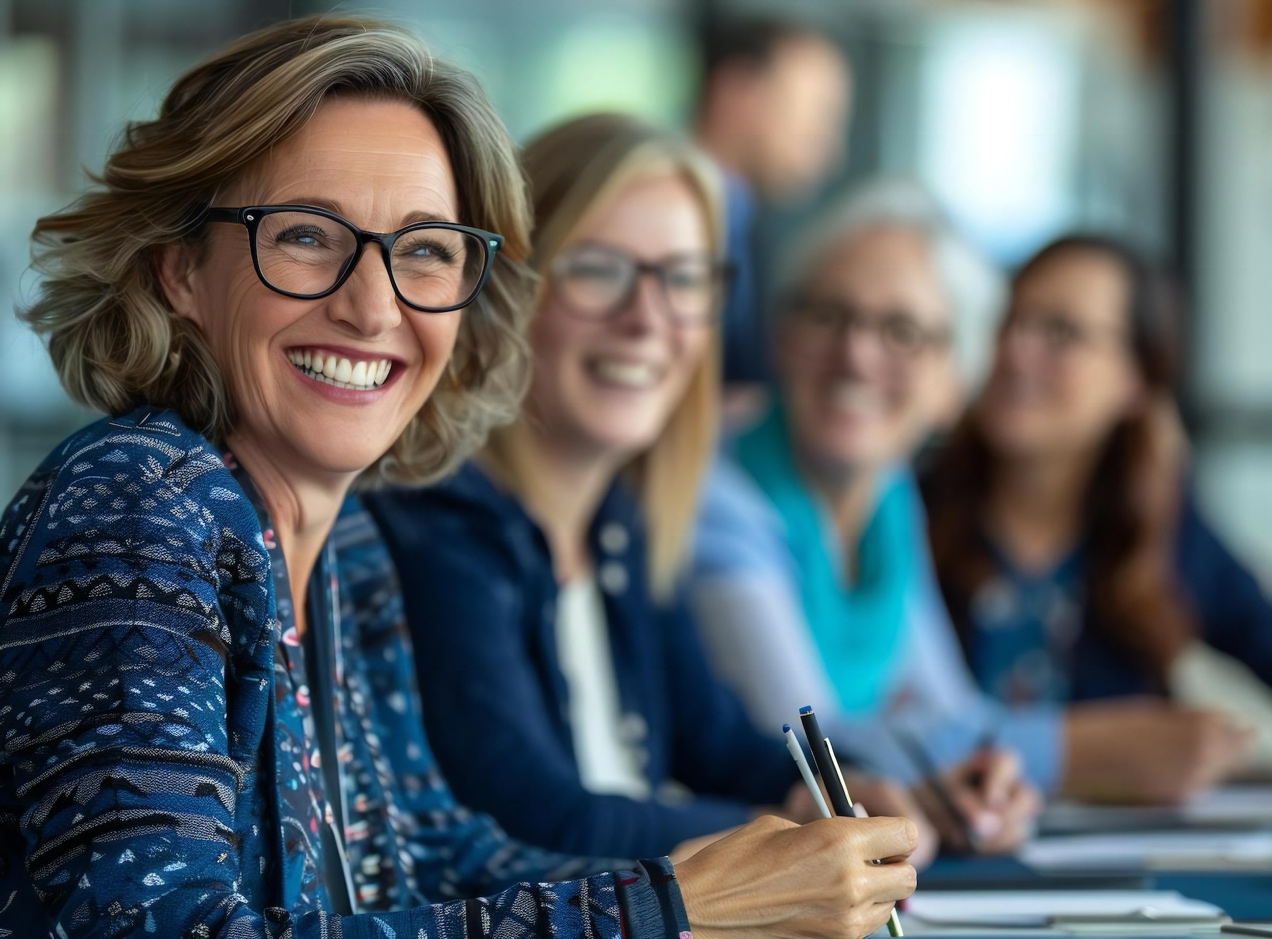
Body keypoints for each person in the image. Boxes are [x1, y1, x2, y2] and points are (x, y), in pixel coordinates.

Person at [0, 18, 918, 937]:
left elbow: (439, 855)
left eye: (426, 249)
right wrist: (678, 908)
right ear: (180, 272)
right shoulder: (139, 500)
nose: (372, 306)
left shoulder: (345, 543)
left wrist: (758, 872)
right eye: (308, 236)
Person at [364, 113, 935, 864]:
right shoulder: (435, 526)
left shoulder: (618, 527)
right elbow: (534, 816)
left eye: (683, 279)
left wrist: (854, 792)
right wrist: (793, 838)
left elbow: (722, 745)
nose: (646, 318)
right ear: (507, 290)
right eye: (598, 268)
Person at [923, 234, 1272, 802]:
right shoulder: (907, 510)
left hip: (1113, 868)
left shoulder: (1160, 526)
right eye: (1008, 320)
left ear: (1136, 378)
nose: (1013, 350)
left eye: (1060, 333)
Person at [687, 180, 1042, 852]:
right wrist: (1087, 748)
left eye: (901, 330)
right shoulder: (717, 491)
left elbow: (947, 710)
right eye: (827, 315)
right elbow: (805, 739)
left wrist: (987, 777)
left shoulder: (887, 491)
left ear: (953, 384)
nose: (855, 353)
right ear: (781, 334)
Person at [693, 16, 851, 390]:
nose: (832, 149)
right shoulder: (664, 227)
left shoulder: (745, 224)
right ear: (738, 93)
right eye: (819, 116)